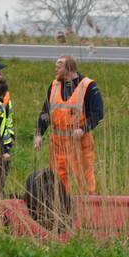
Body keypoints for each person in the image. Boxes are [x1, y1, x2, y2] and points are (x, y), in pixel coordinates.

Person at [33, 55, 104, 193]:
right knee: (57, 180)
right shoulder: (54, 85)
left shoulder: (88, 86)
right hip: (58, 144)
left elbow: (98, 114)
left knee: (84, 178)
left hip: (80, 142)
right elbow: (45, 112)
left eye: (59, 67)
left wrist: (83, 129)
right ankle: (61, 203)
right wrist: (39, 134)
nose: (56, 70)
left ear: (69, 69)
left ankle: (88, 203)